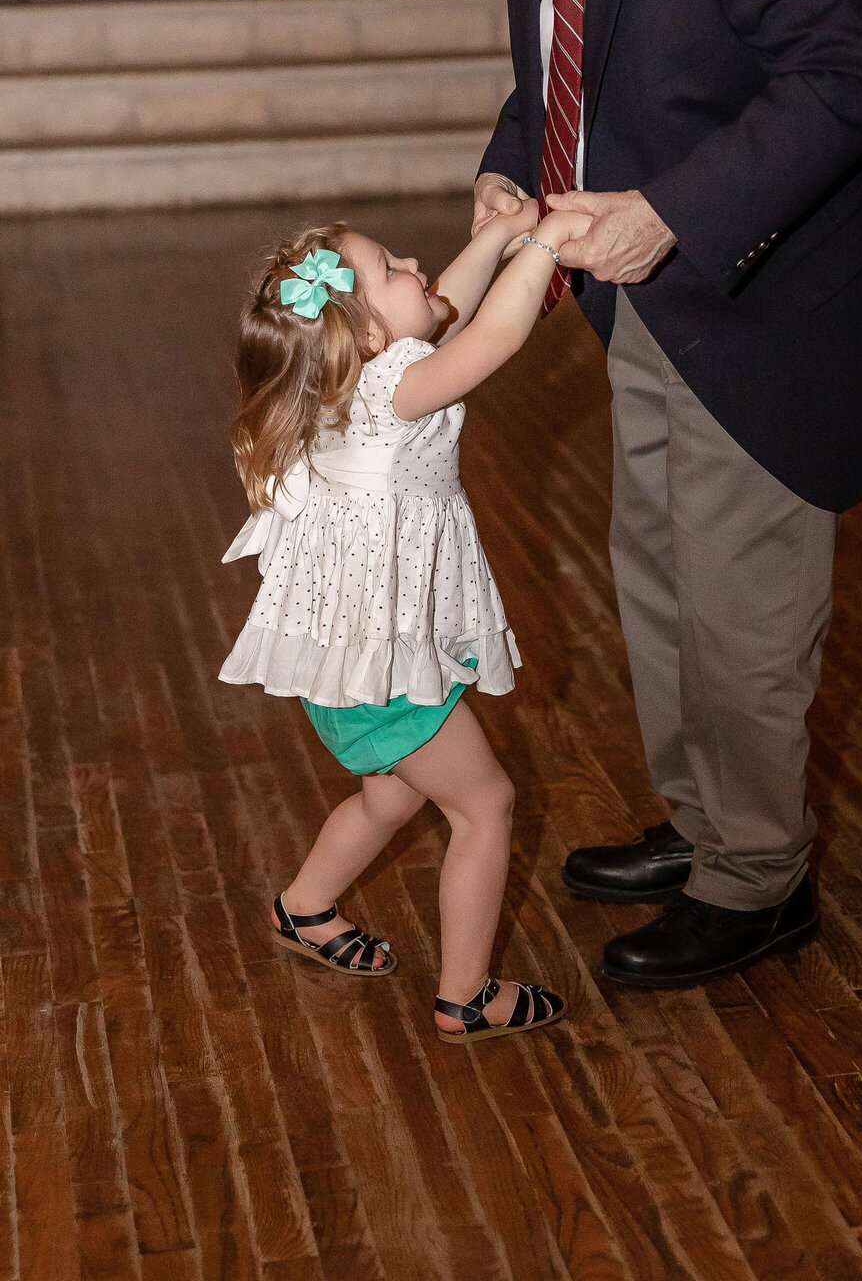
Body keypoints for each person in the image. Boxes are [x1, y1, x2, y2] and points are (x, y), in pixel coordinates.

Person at [378, 0, 862, 991]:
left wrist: (670, 214)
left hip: (771, 287)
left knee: (742, 601)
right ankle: (703, 818)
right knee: (657, 565)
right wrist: (513, 164)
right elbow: (569, 73)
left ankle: (757, 881)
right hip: (640, 280)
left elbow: (849, 78)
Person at [218, 202, 587, 1039]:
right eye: (393, 267)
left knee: (390, 800)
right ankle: (468, 996)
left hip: (344, 669)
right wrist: (544, 245)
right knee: (484, 806)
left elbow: (441, 309)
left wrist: (493, 238)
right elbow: (489, 338)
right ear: (371, 341)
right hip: (379, 668)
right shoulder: (392, 388)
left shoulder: (349, 376)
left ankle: (306, 908)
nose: (416, 266)